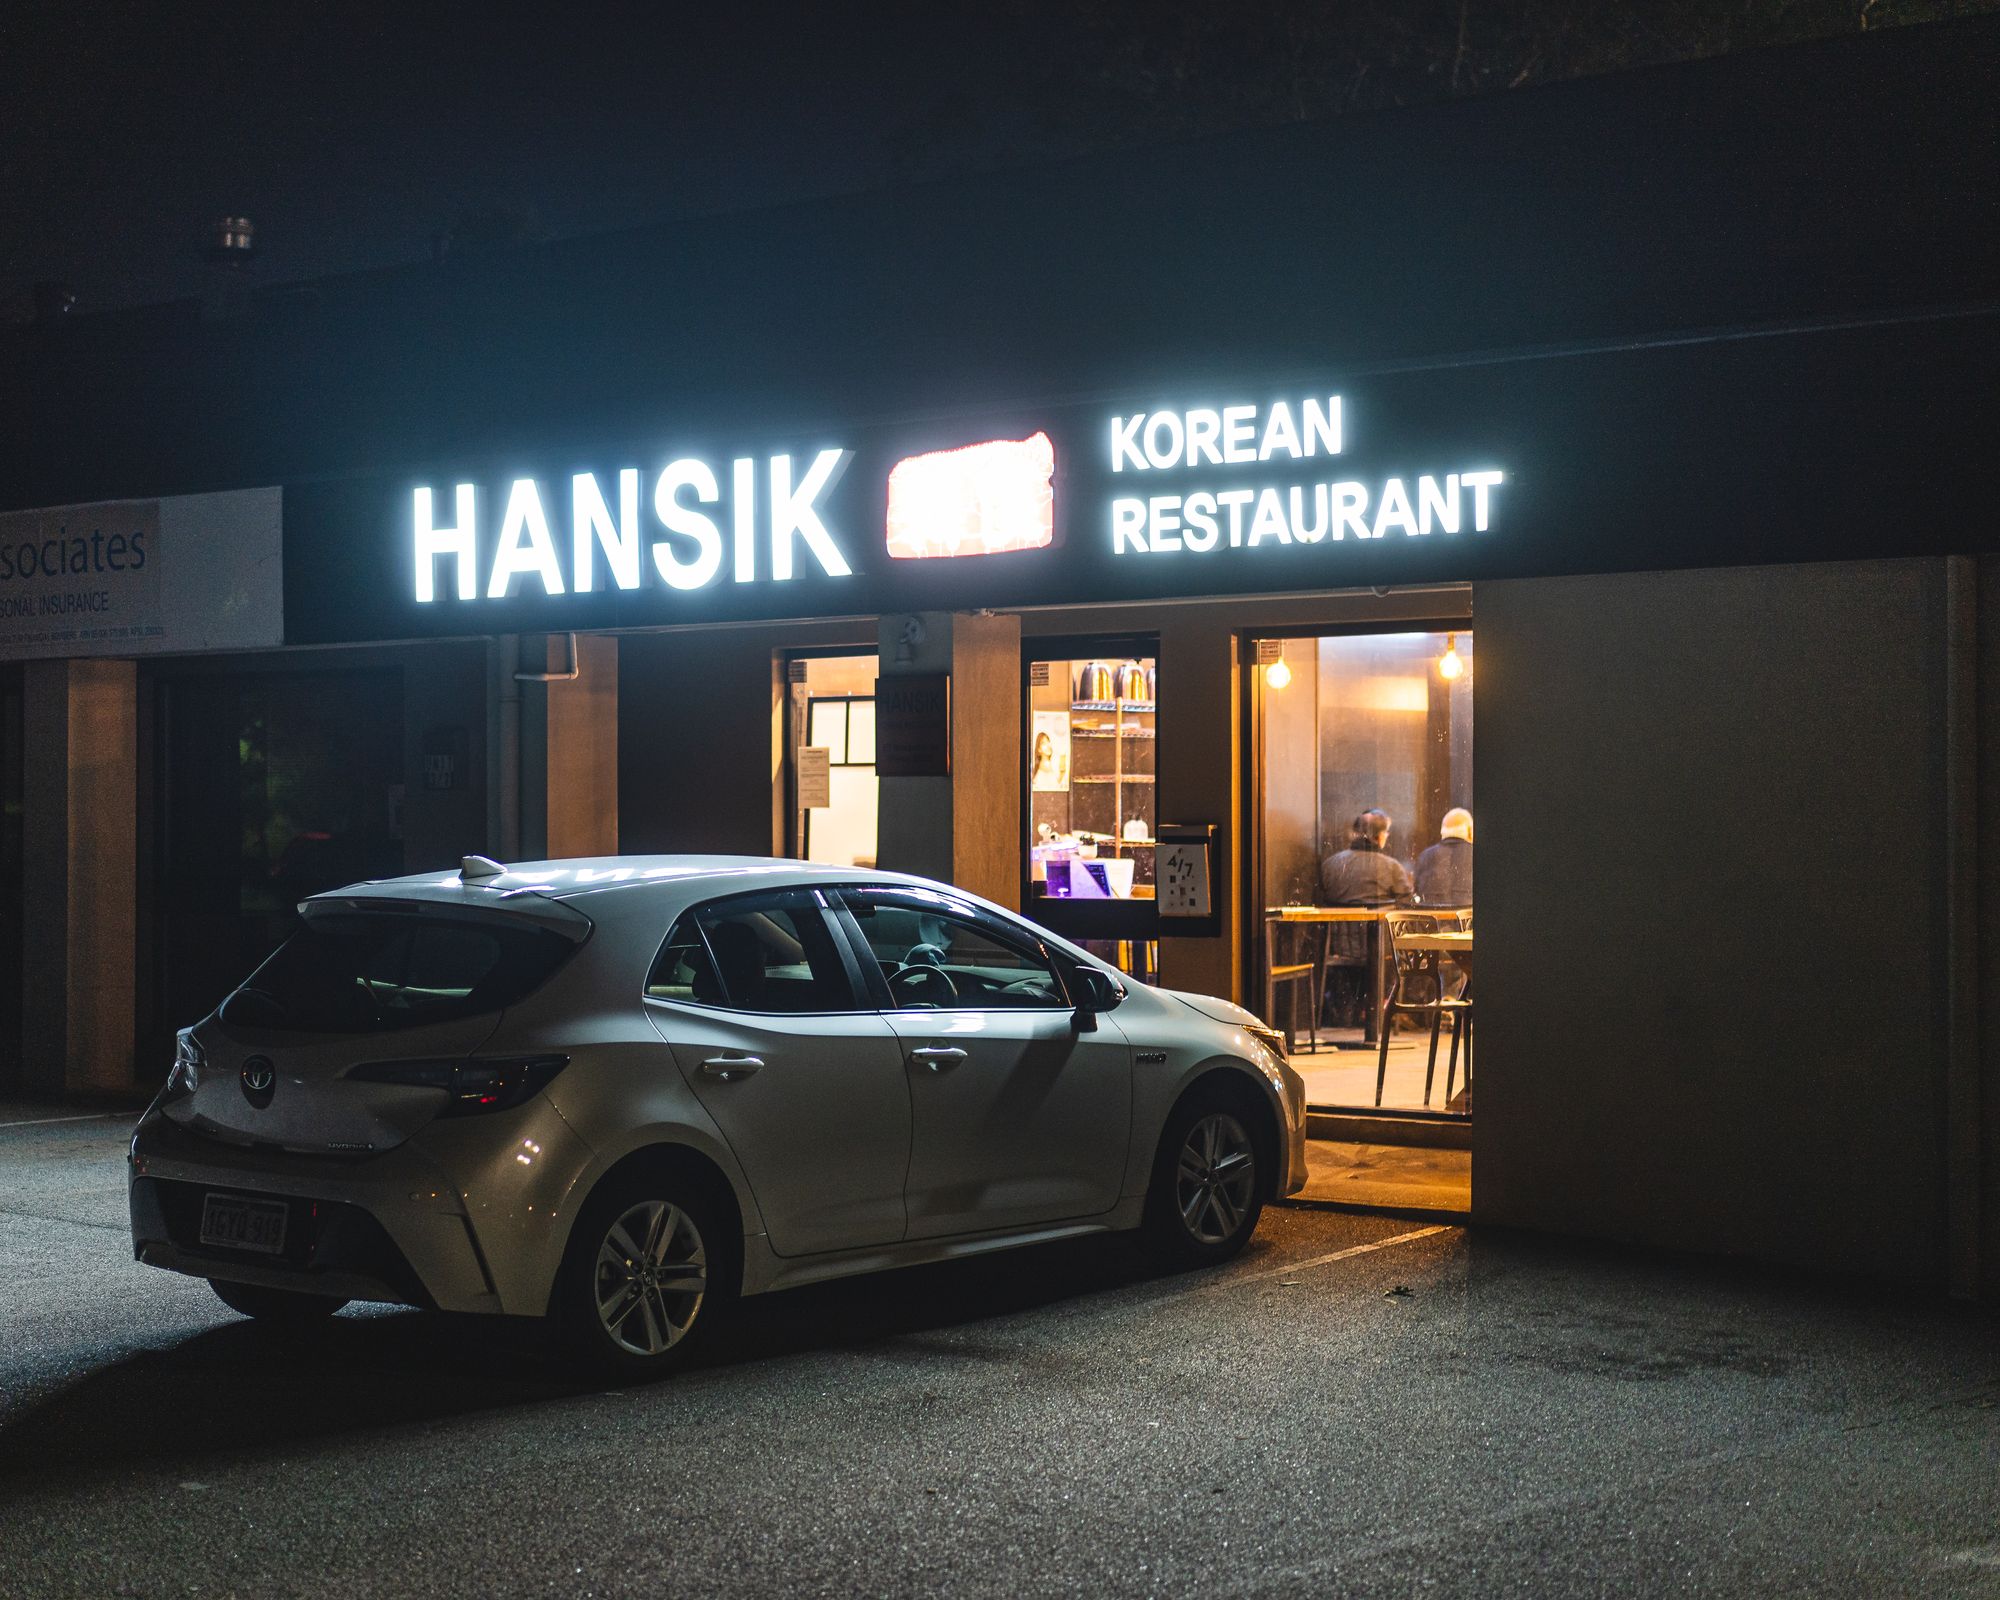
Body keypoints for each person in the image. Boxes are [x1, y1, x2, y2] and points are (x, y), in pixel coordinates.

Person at [1319, 810, 1415, 906]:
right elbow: (1406, 904)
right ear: (1380, 836)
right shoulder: (1392, 867)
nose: (1387, 835)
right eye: (1386, 832)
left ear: (1354, 833)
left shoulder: (1330, 863)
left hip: (1335, 921)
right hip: (1380, 921)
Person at [1414, 808, 1474, 907]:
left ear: (1443, 832)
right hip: (1468, 919)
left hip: (1432, 920)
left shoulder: (1425, 856)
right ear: (1470, 831)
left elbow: (1417, 891)